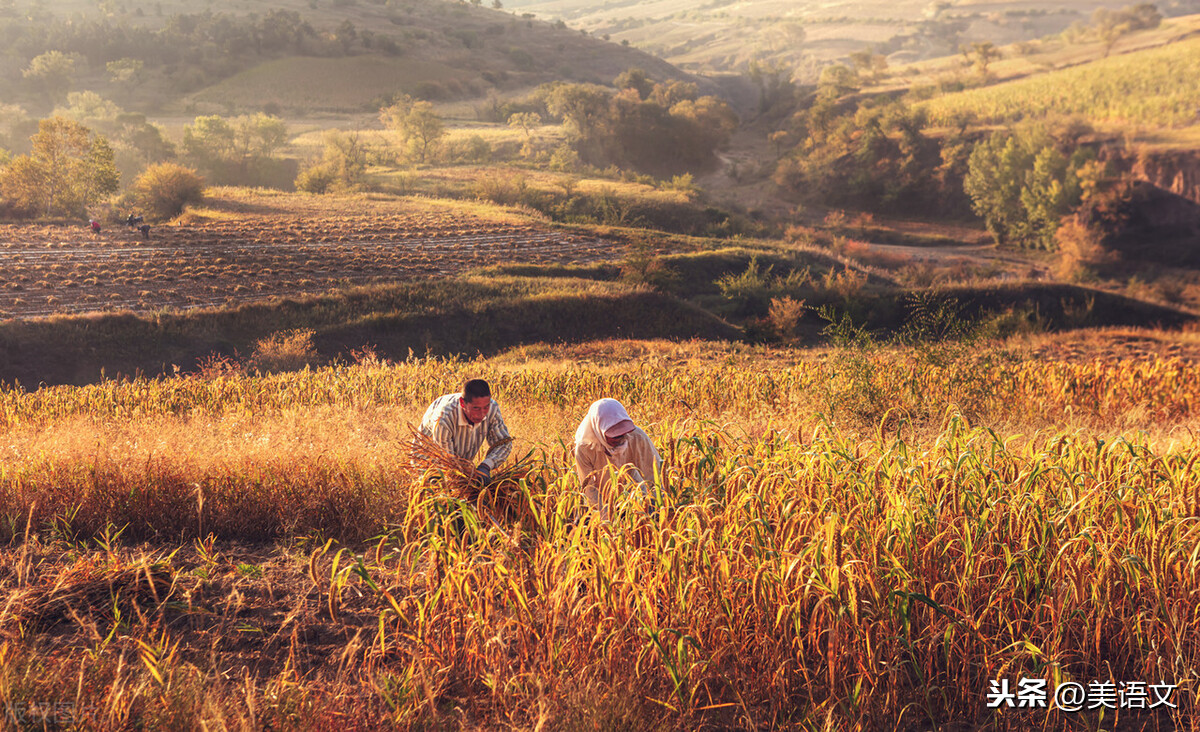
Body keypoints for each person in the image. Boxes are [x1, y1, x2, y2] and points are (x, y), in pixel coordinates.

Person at [574, 398, 661, 519]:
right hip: (599, 500)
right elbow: (590, 489)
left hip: (632, 494)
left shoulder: (637, 437)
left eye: (624, 433)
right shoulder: (584, 448)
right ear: (599, 431)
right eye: (615, 436)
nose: (622, 438)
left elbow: (653, 473)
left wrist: (658, 506)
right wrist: (607, 520)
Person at [417, 378, 512, 482]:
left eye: (486, 407)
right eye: (476, 408)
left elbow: (504, 443)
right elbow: (447, 462)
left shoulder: (492, 408)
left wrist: (485, 466)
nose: (482, 413)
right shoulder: (444, 417)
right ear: (462, 403)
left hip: (459, 465)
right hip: (430, 465)